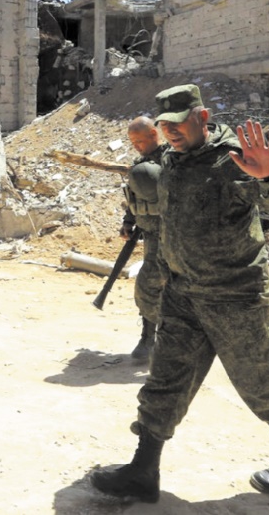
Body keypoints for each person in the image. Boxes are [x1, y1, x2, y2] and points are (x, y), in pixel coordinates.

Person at [91, 84, 269, 503]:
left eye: (179, 123)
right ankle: (144, 468)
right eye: (165, 125)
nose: (172, 132)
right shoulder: (171, 161)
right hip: (182, 293)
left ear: (203, 117)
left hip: (233, 296)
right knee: (164, 381)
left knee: (260, 382)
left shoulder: (233, 158)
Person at [120, 116, 166, 363]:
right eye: (132, 142)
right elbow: (135, 197)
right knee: (152, 287)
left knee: (150, 286)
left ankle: (154, 340)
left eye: (140, 140)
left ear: (153, 134)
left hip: (173, 236)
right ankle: (149, 338)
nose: (136, 145)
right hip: (151, 237)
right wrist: (129, 221)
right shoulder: (141, 165)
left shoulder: (173, 161)